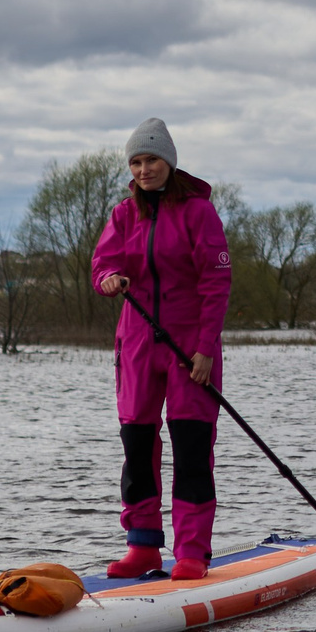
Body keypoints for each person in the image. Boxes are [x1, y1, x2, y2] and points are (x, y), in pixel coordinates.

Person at [91, 119, 232, 582]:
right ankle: (144, 547)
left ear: (169, 162)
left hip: (188, 347)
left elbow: (216, 282)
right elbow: (103, 262)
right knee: (137, 447)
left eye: (151, 159)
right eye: (136, 161)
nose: (144, 168)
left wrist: (206, 349)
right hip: (135, 345)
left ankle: (192, 550)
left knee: (191, 447)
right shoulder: (123, 215)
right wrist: (109, 279)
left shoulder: (198, 213)